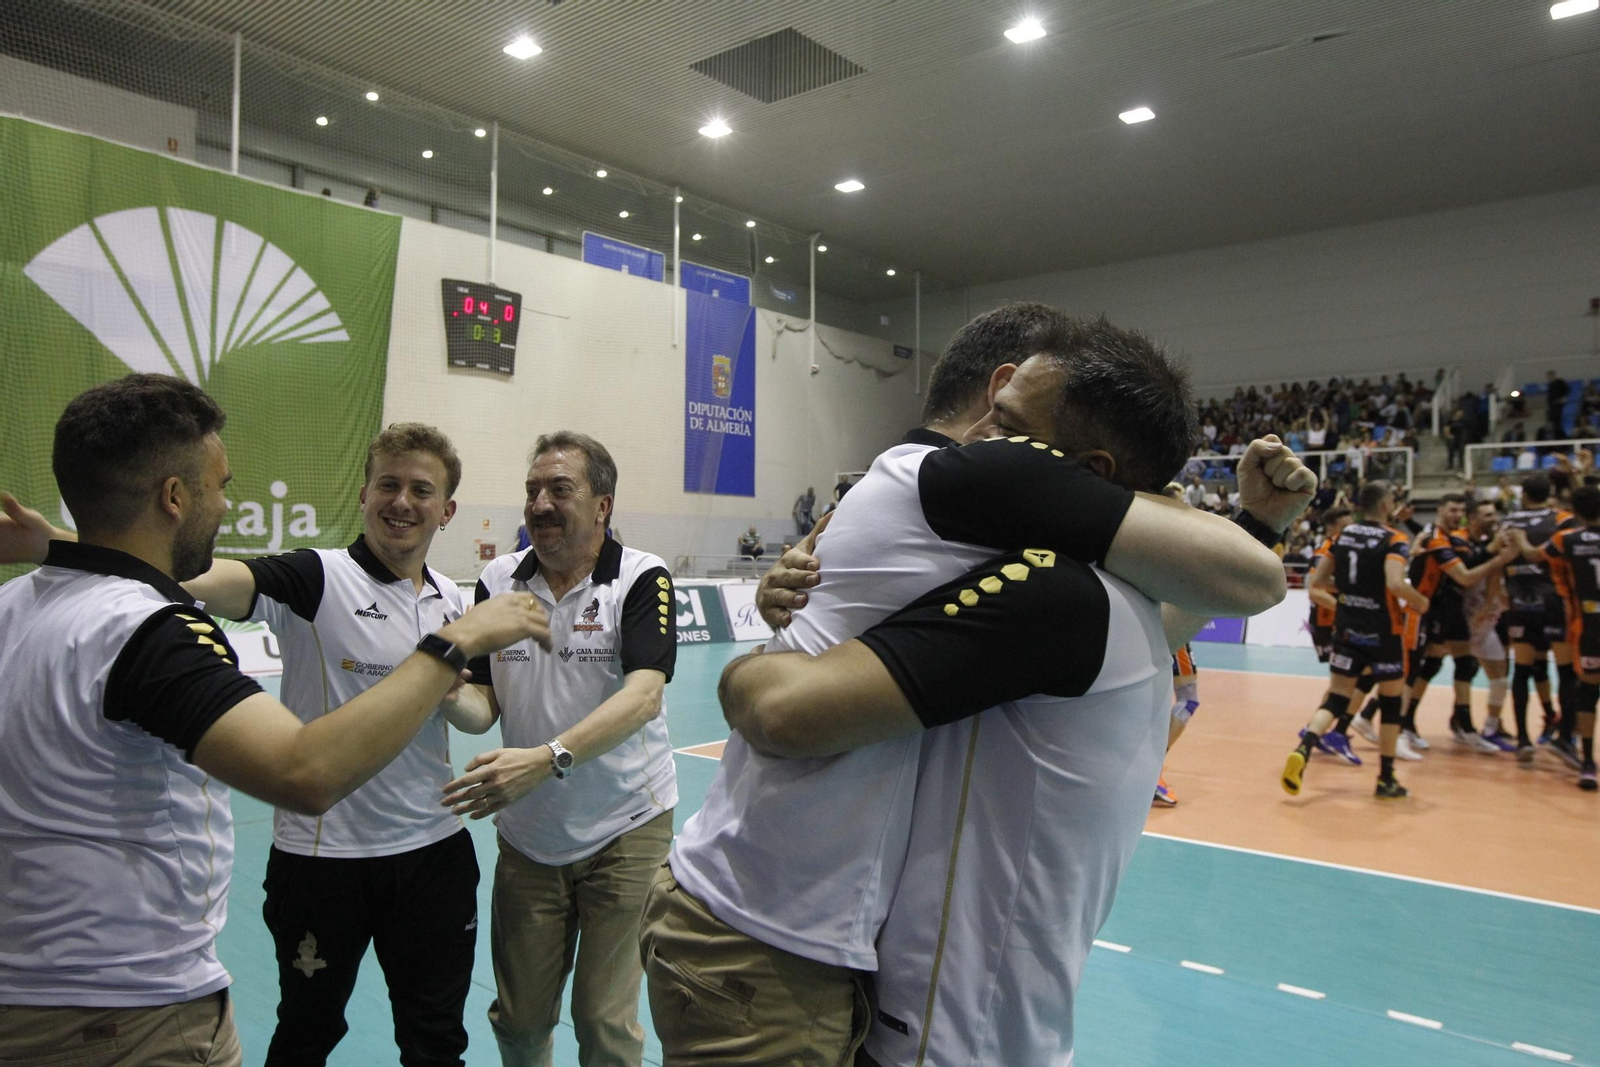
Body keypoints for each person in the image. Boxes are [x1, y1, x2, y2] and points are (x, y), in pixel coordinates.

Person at [643, 306, 1296, 1066]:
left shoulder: (1063, 591)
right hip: (774, 939)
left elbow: (778, 705)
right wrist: (1251, 523)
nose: (987, 437)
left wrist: (747, 665)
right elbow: (1227, 582)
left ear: (1085, 478)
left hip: (894, 997)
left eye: (1012, 422)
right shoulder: (973, 509)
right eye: (994, 412)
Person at [0, 375, 548, 1066]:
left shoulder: (450, 598)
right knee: (307, 1031)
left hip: (430, 849)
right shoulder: (313, 576)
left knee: (436, 1036)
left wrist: (445, 688)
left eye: (420, 490)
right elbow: (187, 578)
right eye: (387, 485)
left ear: (447, 510)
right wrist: (63, 542)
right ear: (364, 494)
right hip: (323, 861)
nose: (401, 502)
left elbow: (471, 709)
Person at [438, 432, 676, 1067]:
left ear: (602, 504)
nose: (540, 503)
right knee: (519, 1022)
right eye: (532, 490)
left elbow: (644, 696)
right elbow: (482, 705)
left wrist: (545, 759)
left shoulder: (641, 577)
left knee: (603, 1020)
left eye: (560, 490)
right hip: (529, 836)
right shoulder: (497, 580)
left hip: (628, 825)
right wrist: (432, 681)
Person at [1284, 480, 1430, 800]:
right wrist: (1419, 600)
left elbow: (1318, 584)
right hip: (1384, 630)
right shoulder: (1395, 539)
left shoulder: (1340, 537)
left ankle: (1304, 747)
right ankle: (1386, 778)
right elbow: (1395, 583)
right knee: (1391, 703)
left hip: (1348, 628)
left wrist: (1347, 604)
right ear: (1386, 504)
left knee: (1337, 698)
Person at [1518, 484, 1600, 789]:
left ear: (1575, 513)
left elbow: (1532, 555)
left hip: (1588, 624)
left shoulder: (1566, 539)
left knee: (1588, 689)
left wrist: (1521, 539)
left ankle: (1588, 763)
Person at [1501, 473, 1581, 761]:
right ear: (1549, 493)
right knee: (1566, 673)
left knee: (1522, 670)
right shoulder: (1562, 519)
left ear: (1523, 494)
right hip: (1555, 602)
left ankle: (1523, 739)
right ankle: (1565, 737)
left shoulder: (1508, 522)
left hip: (1520, 602)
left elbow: (1499, 557)